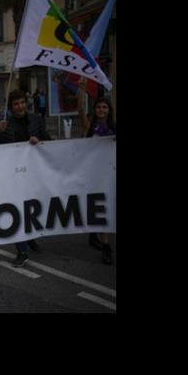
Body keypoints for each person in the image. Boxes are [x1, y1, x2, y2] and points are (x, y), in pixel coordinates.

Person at [0, 90, 51, 266]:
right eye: (16, 104)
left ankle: (30, 237)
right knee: (17, 210)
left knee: (32, 208)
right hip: (14, 174)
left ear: (26, 103)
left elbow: (49, 141)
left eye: (22, 103)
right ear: (11, 107)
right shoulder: (6, 123)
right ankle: (22, 250)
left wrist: (39, 140)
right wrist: (0, 132)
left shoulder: (36, 120)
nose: (20, 107)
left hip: (33, 172)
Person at [78, 80, 116, 265]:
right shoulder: (89, 127)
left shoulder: (113, 130)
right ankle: (98, 239)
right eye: (98, 107)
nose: (101, 110)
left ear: (109, 110)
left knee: (105, 209)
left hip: (108, 175)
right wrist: (82, 91)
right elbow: (79, 110)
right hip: (92, 175)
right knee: (95, 208)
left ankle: (105, 246)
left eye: (104, 107)